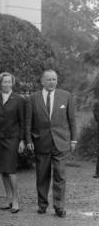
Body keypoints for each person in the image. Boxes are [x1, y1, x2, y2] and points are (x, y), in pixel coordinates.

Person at [25, 70, 77, 218]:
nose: (52, 82)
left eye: (54, 79)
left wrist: (73, 139)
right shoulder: (33, 98)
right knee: (42, 175)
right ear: (42, 81)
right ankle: (42, 205)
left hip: (60, 142)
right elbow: (28, 122)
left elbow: (72, 120)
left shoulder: (66, 96)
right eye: (48, 80)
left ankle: (59, 207)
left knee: (60, 175)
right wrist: (28, 140)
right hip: (41, 141)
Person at [0, 72, 25, 213]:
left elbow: (23, 121)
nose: (6, 84)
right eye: (4, 82)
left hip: (12, 139)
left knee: (10, 170)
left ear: (12, 83)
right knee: (3, 171)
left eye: (9, 82)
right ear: (0, 83)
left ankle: (16, 200)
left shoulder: (19, 99)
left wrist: (22, 140)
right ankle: (8, 199)